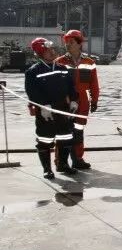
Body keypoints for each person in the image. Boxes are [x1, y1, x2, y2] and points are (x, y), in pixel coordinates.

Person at [25, 37, 78, 179]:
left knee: (66, 137)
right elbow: (32, 92)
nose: (52, 52)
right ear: (40, 53)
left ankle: (63, 165)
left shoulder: (62, 69)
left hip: (62, 109)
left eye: (52, 49)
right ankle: (47, 169)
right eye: (48, 50)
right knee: (45, 140)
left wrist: (74, 100)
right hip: (45, 111)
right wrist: (42, 106)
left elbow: (71, 87)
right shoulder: (33, 71)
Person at [55, 29, 97, 170]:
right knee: (63, 133)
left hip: (83, 103)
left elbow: (94, 84)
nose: (67, 44)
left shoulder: (89, 62)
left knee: (78, 132)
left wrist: (94, 100)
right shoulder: (59, 62)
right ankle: (61, 162)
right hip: (64, 102)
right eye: (66, 42)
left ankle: (78, 159)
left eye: (71, 42)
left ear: (79, 43)